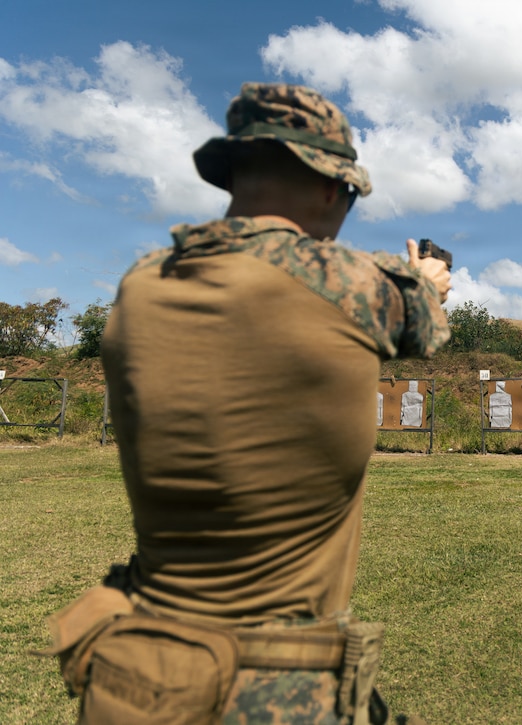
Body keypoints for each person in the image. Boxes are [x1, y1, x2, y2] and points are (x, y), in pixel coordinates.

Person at [42, 83, 450, 724]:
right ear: (328, 186)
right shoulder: (349, 285)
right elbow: (422, 321)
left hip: (137, 679)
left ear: (233, 173)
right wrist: (426, 280)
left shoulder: (140, 285)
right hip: (278, 693)